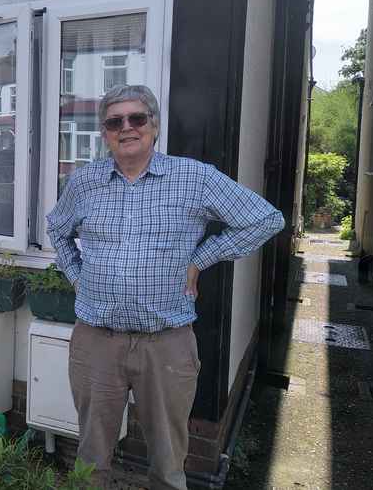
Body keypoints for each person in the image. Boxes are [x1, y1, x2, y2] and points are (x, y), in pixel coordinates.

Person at [46, 84, 284, 490]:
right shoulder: (84, 183)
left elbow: (265, 219)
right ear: (105, 132)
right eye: (114, 121)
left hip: (166, 343)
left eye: (137, 118)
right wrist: (77, 277)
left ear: (154, 126)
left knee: (169, 457)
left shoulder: (194, 178)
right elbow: (57, 229)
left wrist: (201, 259)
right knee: (91, 454)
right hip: (97, 342)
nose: (127, 127)